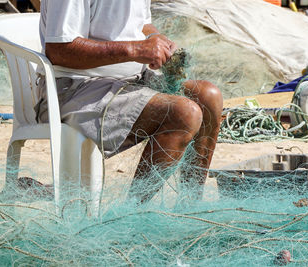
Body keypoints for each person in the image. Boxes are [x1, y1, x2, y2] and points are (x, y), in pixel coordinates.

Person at [36, 0, 223, 203]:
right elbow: (59, 51)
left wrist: (155, 38)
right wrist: (136, 50)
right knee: (184, 113)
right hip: (77, 88)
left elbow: (140, 24)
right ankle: (131, 216)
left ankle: (189, 208)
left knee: (208, 96)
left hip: (131, 80)